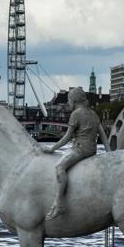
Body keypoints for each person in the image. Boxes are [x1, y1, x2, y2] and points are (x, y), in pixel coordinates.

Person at [44, 87, 109, 220]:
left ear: (73, 100)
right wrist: (110, 153)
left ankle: (59, 202)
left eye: (69, 101)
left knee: (59, 167)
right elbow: (103, 136)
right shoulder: (94, 114)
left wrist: (52, 149)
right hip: (92, 150)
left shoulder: (76, 114)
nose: (68, 104)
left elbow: (67, 137)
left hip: (80, 149)